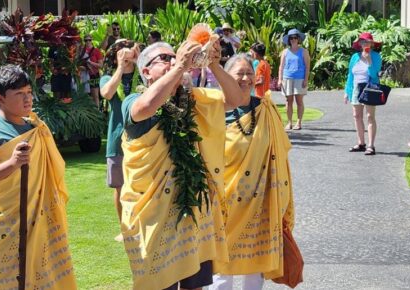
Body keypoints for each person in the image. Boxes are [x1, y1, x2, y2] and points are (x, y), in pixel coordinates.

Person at [119, 40, 242, 289]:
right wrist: (180, 68)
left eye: (175, 57)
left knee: (194, 285)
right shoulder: (133, 100)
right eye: (164, 59)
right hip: (153, 216)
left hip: (191, 211)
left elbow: (236, 98)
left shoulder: (193, 100)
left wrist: (215, 65)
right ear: (145, 72)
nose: (173, 61)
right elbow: (145, 108)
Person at [0, 64, 77, 289]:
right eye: (19, 94)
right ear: (0, 98)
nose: (27, 99)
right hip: (3, 223)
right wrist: (12, 163)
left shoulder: (37, 127)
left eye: (28, 92)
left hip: (39, 218)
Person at [209, 53, 296, 289]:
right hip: (224, 202)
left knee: (254, 268)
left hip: (259, 204)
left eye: (249, 72)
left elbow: (279, 153)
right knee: (221, 267)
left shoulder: (265, 108)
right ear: (225, 77)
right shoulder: (213, 109)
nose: (246, 78)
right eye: (239, 73)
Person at [99, 39, 140, 240]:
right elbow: (107, 93)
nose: (127, 53)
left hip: (141, 137)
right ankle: (124, 228)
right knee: (120, 186)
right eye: (122, 50)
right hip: (117, 138)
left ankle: (141, 224)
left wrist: (141, 61)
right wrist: (120, 68)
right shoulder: (107, 77)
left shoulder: (142, 75)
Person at [344, 32, 382, 155]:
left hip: (370, 88)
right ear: (360, 44)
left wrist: (369, 61)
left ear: (371, 44)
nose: (365, 44)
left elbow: (375, 75)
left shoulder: (376, 56)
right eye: (363, 42)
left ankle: (371, 145)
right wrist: (346, 91)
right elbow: (350, 75)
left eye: (368, 42)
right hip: (356, 88)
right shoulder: (355, 57)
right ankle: (361, 143)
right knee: (357, 115)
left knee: (370, 116)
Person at [278, 29, 310, 130]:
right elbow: (281, 66)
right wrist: (280, 79)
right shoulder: (285, 52)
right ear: (288, 40)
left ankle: (299, 122)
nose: (293, 40)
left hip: (299, 78)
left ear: (298, 39)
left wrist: (306, 79)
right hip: (287, 78)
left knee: (299, 101)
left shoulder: (304, 51)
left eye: (295, 37)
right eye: (291, 38)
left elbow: (307, 66)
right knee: (288, 101)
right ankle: (290, 122)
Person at [78, 35, 104, 106]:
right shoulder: (80, 51)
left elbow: (101, 65)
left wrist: (90, 63)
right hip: (83, 76)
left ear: (92, 40)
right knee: (85, 96)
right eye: (86, 40)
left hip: (93, 75)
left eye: (89, 40)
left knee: (95, 95)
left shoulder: (96, 51)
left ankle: (97, 112)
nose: (88, 42)